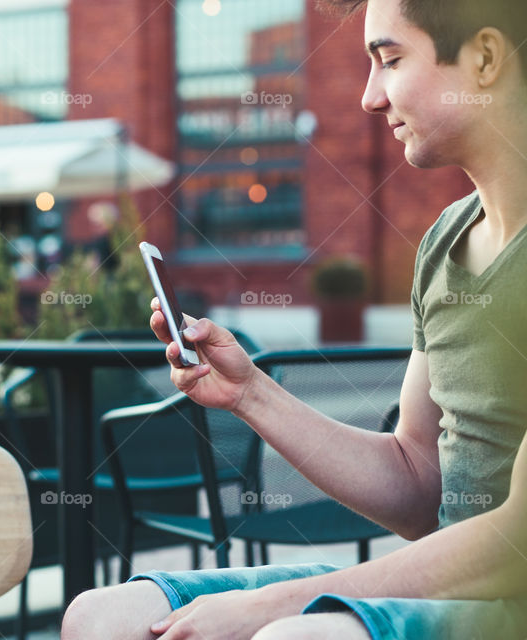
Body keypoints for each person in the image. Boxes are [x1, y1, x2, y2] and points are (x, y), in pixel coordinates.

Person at [61, 0, 527, 638]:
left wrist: (270, 607)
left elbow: (513, 544)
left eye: (389, 60)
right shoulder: (445, 243)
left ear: (485, 58)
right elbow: (420, 485)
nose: (368, 97)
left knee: (292, 635)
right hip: (450, 589)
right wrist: (249, 392)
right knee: (104, 617)